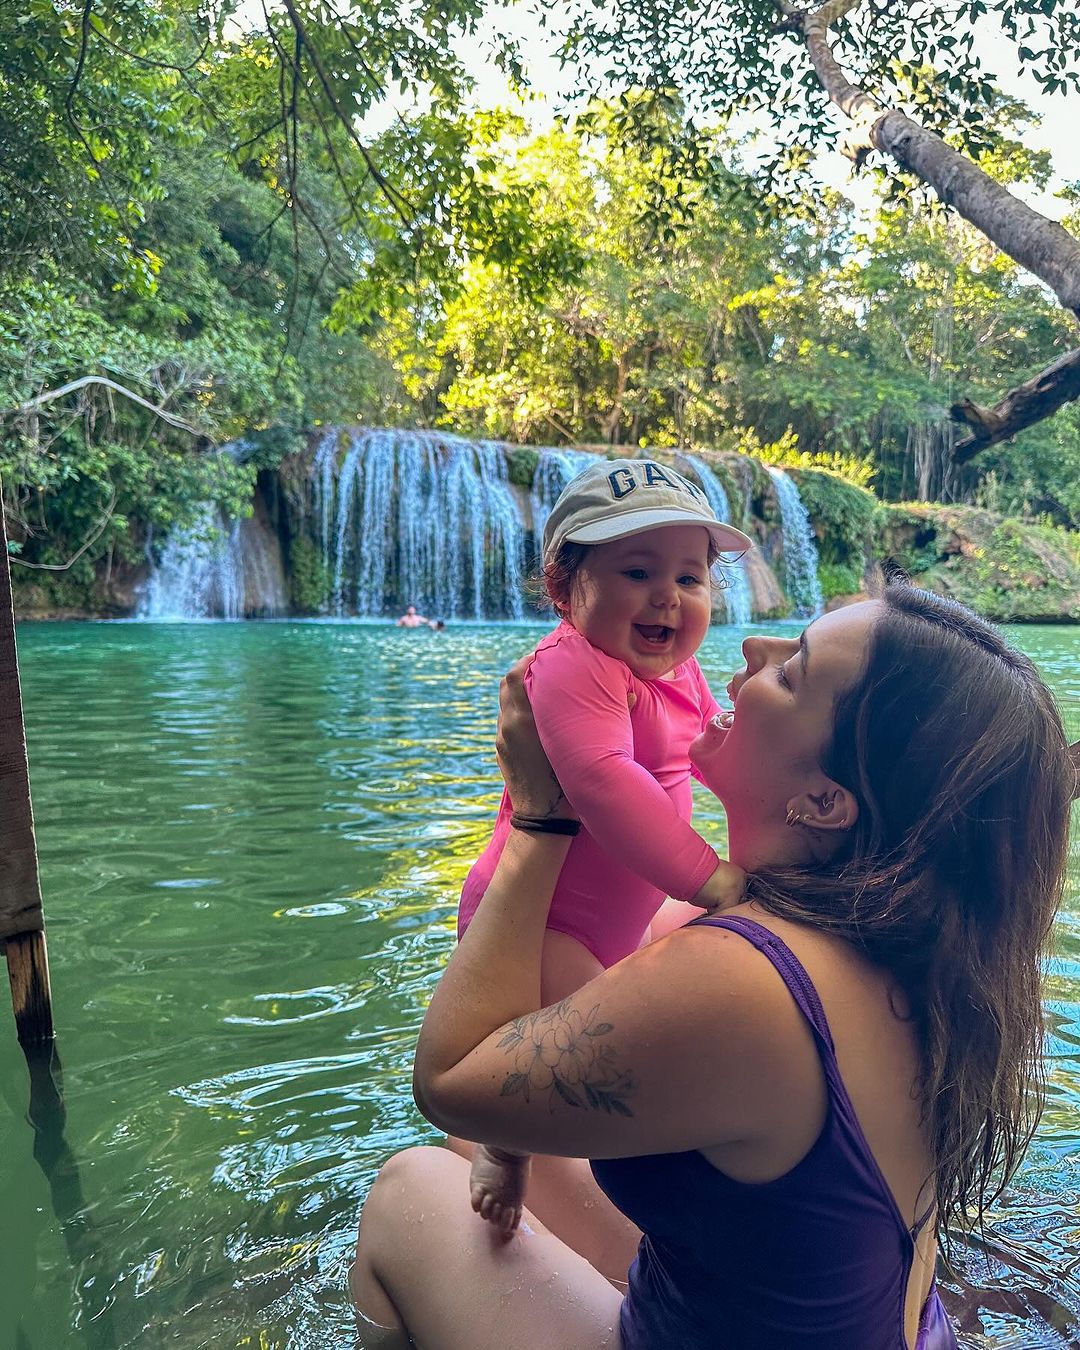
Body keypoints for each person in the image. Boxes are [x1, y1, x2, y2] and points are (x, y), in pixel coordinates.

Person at [351, 574, 1075, 1350]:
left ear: (827, 801)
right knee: (488, 1150)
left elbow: (452, 1076)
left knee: (408, 1194)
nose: (751, 648)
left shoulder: (744, 983)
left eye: (790, 669)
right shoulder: (891, 929)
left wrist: (537, 816)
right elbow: (582, 983)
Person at [456, 457, 752, 1234]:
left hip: (619, 917)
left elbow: (706, 748)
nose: (669, 595)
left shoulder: (676, 670)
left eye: (691, 578)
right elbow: (602, 780)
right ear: (565, 589)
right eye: (637, 570)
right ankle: (504, 1143)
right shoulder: (571, 666)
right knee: (555, 1061)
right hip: (542, 922)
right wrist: (708, 876)